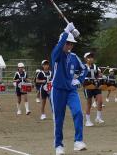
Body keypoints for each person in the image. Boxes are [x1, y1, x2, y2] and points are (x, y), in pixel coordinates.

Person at [51, 23, 87, 155]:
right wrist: (66, 30)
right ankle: (59, 145)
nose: (69, 45)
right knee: (59, 119)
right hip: (57, 91)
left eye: (71, 43)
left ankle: (78, 141)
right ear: (62, 42)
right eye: (67, 43)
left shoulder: (74, 57)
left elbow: (85, 69)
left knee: (78, 112)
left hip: (71, 90)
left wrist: (79, 80)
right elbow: (58, 48)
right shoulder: (57, 55)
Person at [83, 52, 104, 126]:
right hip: (88, 86)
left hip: (96, 86)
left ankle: (98, 117)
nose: (91, 58)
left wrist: (100, 75)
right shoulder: (83, 67)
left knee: (100, 101)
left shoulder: (95, 66)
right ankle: (87, 121)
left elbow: (99, 75)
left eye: (92, 57)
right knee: (89, 103)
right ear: (85, 59)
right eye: (89, 57)